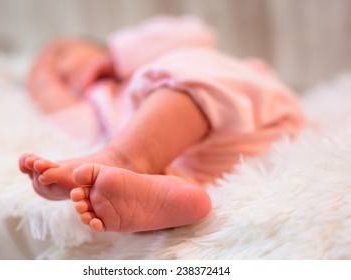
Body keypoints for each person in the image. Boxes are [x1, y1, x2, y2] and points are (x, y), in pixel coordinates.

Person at [19, 16, 305, 233]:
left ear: (98, 47)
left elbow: (196, 31)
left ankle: (124, 159)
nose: (56, 71)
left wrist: (118, 56)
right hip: (215, 157)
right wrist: (49, 90)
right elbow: (82, 132)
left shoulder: (146, 62)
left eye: (61, 54)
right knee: (146, 159)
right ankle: (174, 192)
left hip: (249, 105)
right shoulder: (102, 105)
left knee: (180, 73)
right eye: (48, 79)